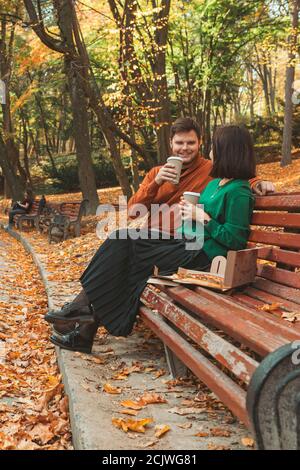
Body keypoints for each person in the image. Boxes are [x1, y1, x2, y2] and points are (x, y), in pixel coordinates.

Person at [45, 124, 258, 353]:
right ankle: (83, 321)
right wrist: (187, 212)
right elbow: (134, 209)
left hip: (205, 256)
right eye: (180, 143)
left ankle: (80, 312)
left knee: (130, 255)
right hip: (185, 242)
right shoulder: (214, 183)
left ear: (228, 151)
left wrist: (203, 218)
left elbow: (235, 240)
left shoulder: (238, 191)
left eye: (215, 147)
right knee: (122, 238)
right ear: (171, 144)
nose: (211, 152)